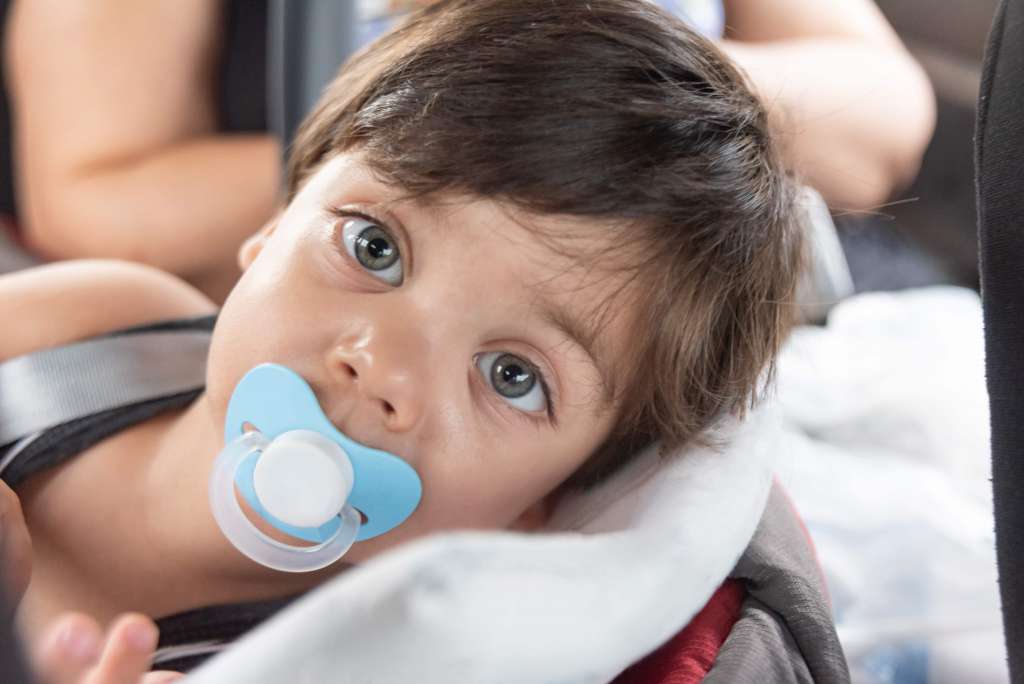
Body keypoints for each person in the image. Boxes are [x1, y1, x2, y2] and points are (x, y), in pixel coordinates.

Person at [0, 0, 805, 680]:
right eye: (373, 248)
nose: (384, 365)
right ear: (273, 227)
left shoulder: (345, 661)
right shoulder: (101, 325)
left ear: (537, 512)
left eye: (511, 375)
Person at [2, 0, 933, 302]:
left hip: (754, 327)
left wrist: (602, 69)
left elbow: (884, 124)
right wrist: (444, 121)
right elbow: (89, 194)